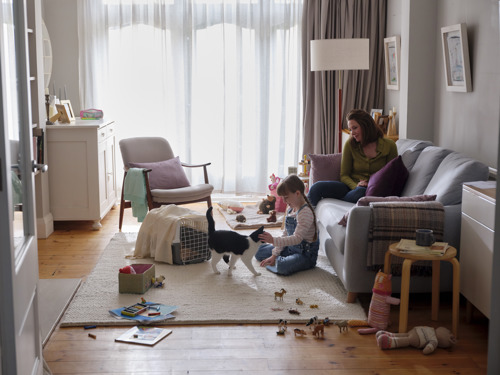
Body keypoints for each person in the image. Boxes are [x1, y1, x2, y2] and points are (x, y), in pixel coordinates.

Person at [307, 108, 398, 206]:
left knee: (360, 193)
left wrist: (371, 186)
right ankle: (302, 216)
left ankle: (339, 200)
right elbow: (344, 175)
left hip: (373, 190)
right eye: (350, 129)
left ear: (366, 126)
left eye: (355, 128)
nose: (352, 133)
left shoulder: (390, 146)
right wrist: (356, 186)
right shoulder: (350, 145)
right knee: (316, 187)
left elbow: (391, 176)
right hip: (351, 187)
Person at [255, 174, 319, 276]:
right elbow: (286, 234)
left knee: (282, 266)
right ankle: (282, 258)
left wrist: (273, 241)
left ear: (297, 193)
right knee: (259, 252)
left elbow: (297, 239)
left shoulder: (305, 212)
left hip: (305, 254)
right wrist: (274, 255)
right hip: (290, 248)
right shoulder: (291, 209)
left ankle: (284, 261)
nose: (284, 201)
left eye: (286, 197)